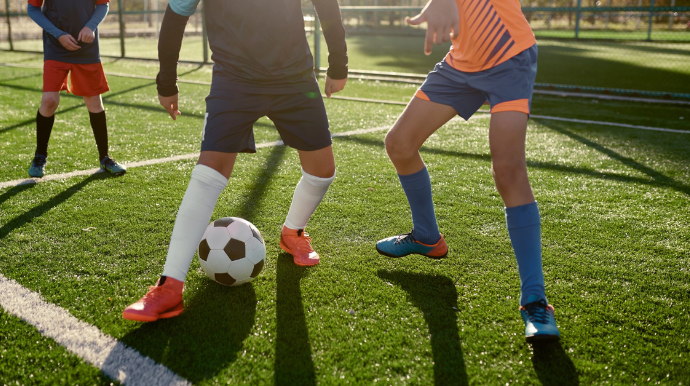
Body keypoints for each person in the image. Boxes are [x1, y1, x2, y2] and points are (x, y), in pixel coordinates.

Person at [122, 0, 348, 322]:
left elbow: (326, 4)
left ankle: (292, 233)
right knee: (208, 172)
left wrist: (338, 64)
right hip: (235, 81)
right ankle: (169, 286)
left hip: (295, 79)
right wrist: (166, 81)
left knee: (322, 172)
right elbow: (175, 18)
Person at [375, 0, 560, 341]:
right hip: (460, 63)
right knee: (399, 143)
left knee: (508, 171)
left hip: (509, 57)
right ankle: (427, 238)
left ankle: (536, 301)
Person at [26, 0, 126, 177]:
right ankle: (40, 156)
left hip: (86, 46)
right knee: (49, 101)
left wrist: (90, 27)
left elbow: (103, 5)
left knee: (94, 102)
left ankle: (105, 158)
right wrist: (58, 34)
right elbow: (33, 9)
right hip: (56, 45)